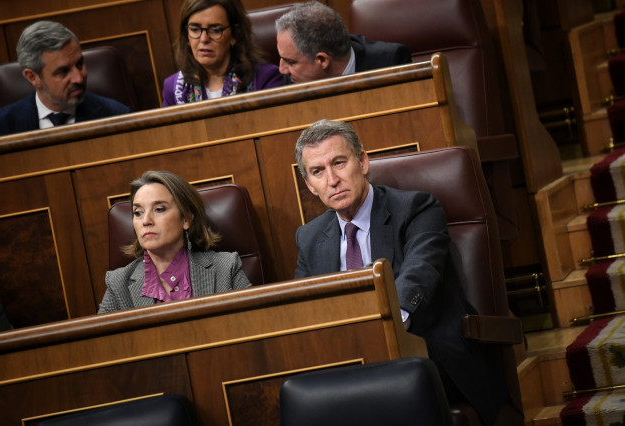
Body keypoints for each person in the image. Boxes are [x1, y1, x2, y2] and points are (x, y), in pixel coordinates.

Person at [293, 119, 508, 426]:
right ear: (310, 186)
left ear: (363, 161)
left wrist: (386, 327)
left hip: (425, 353)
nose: (332, 179)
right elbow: (304, 308)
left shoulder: (416, 208)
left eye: (338, 163)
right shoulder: (309, 237)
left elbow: (419, 273)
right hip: (351, 363)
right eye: (318, 171)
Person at [98, 170, 251, 313]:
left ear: (186, 219)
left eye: (159, 209)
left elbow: (252, 325)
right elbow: (102, 341)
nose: (146, 221)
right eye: (138, 213)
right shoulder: (118, 284)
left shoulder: (226, 267)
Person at [0, 21, 130, 138]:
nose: (78, 78)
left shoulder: (117, 116)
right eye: (63, 71)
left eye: (80, 64)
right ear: (33, 77)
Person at [162, 0, 283, 105]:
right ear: (186, 36)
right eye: (194, 29)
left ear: (234, 34)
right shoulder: (172, 89)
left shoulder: (265, 79)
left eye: (215, 30)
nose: (204, 39)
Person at [275, 1, 412, 84]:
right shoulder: (293, 78)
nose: (282, 69)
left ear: (322, 60)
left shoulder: (390, 63)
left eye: (291, 62)